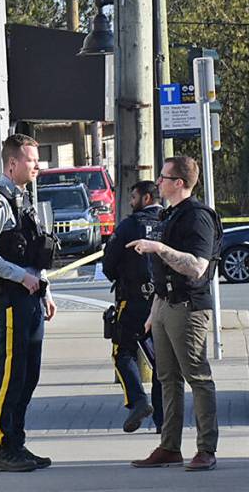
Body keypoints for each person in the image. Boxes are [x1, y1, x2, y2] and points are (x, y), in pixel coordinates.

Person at [127, 156, 222, 472]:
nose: (158, 183)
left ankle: (206, 448)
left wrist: (158, 249)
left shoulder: (198, 217)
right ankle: (169, 446)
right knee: (167, 378)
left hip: (188, 306)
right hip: (167, 304)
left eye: (164, 177)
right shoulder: (171, 215)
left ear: (179, 182)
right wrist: (154, 311)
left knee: (197, 376)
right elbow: (163, 274)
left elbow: (197, 266)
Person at [0, 133, 59, 473]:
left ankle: (17, 442)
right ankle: (1, 446)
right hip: (10, 300)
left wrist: (44, 290)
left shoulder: (23, 199)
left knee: (28, 374)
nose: (38, 165)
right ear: (12, 163)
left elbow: (33, 253)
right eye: (32, 160)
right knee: (10, 373)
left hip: (30, 300)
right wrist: (21, 278)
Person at [101, 180, 164, 434]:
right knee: (163, 364)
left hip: (133, 301)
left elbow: (108, 264)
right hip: (163, 302)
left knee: (122, 352)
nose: (130, 202)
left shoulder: (129, 226)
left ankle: (138, 401)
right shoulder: (168, 222)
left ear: (147, 198)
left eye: (134, 197)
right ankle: (164, 422)